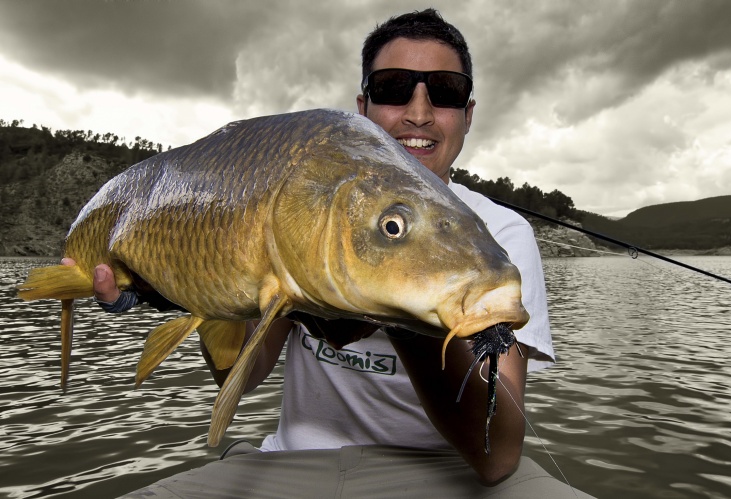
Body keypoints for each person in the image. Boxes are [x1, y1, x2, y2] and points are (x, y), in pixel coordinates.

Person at [70, 9, 594, 498]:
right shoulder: (302, 200)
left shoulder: (503, 235)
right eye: (392, 89)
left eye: (444, 91)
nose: (418, 112)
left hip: (445, 472)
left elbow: (497, 456)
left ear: (467, 114)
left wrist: (398, 316)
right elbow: (240, 380)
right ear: (363, 109)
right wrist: (191, 295)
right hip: (297, 461)